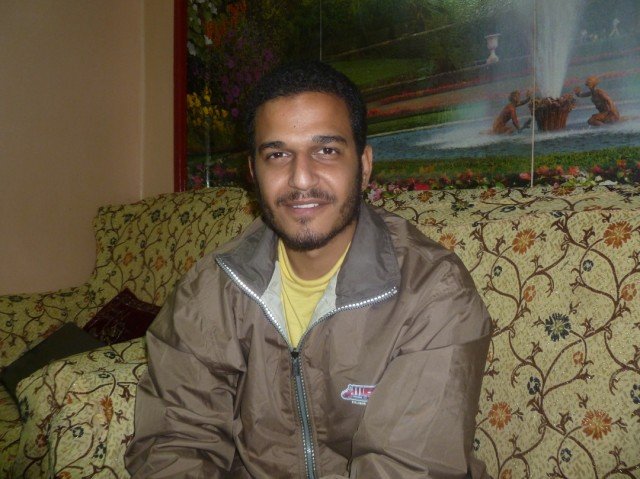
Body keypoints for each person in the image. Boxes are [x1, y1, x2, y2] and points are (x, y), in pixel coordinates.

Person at [125, 61, 492, 478]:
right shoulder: (213, 288)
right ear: (253, 172)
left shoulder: (432, 291)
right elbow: (176, 442)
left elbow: (408, 468)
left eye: (326, 151)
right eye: (277, 154)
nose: (300, 178)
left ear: (364, 166)